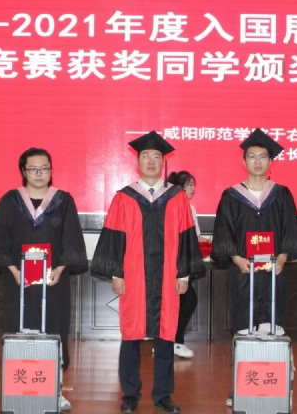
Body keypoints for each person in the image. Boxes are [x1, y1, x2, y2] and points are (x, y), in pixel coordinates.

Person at [90, 131, 206, 414]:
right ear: (138, 161)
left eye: (156, 156)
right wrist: (117, 274)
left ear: (163, 161)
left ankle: (163, 395)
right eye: (146, 156)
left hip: (168, 278)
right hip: (134, 277)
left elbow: (186, 238)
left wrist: (183, 276)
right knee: (131, 334)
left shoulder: (177, 197)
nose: (151, 161)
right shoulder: (124, 197)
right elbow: (114, 238)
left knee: (166, 335)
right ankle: (130, 393)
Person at [211, 128, 297, 407]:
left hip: (274, 273)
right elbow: (224, 232)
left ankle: (274, 385)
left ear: (270, 161)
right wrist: (235, 258)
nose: (257, 161)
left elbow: (290, 229)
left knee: (273, 327)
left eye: (262, 156)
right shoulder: (231, 196)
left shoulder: (281, 195)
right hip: (244, 273)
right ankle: (239, 387)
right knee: (243, 328)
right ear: (244, 161)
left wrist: (282, 258)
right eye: (252, 156)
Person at [0, 147, 88, 412]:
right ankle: (16, 387)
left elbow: (71, 239)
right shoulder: (10, 201)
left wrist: (61, 268)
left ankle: (55, 390)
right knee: (18, 328)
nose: (40, 173)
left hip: (53, 281)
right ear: (23, 171)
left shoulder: (63, 201)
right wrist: (14, 271)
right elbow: (0, 240)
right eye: (33, 169)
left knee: (55, 329)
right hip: (18, 282)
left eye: (45, 168)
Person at [166, 170, 211, 359]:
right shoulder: (169, 206)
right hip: (170, 263)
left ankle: (170, 342)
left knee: (184, 301)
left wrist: (212, 242)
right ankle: (173, 342)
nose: (194, 188)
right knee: (184, 301)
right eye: (190, 184)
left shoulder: (190, 208)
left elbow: (195, 237)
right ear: (180, 187)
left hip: (185, 263)